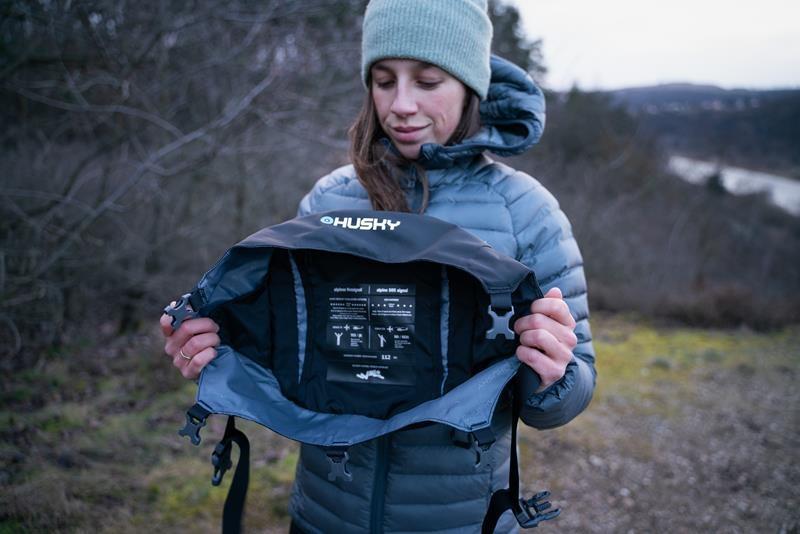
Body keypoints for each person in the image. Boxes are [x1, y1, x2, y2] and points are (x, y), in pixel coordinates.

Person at [160, 0, 596, 531]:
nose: (401, 105)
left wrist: (552, 373)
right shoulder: (328, 201)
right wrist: (219, 349)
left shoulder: (525, 212)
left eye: (428, 81)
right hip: (324, 513)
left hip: (460, 522)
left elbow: (564, 400)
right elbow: (292, 350)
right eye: (384, 81)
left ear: (470, 85)